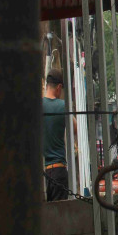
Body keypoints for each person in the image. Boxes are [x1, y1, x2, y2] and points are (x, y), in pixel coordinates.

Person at [42, 68, 71, 201]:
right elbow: (75, 128)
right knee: (59, 217)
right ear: (59, 87)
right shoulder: (62, 106)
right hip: (59, 170)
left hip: (44, 172)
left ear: (46, 85)